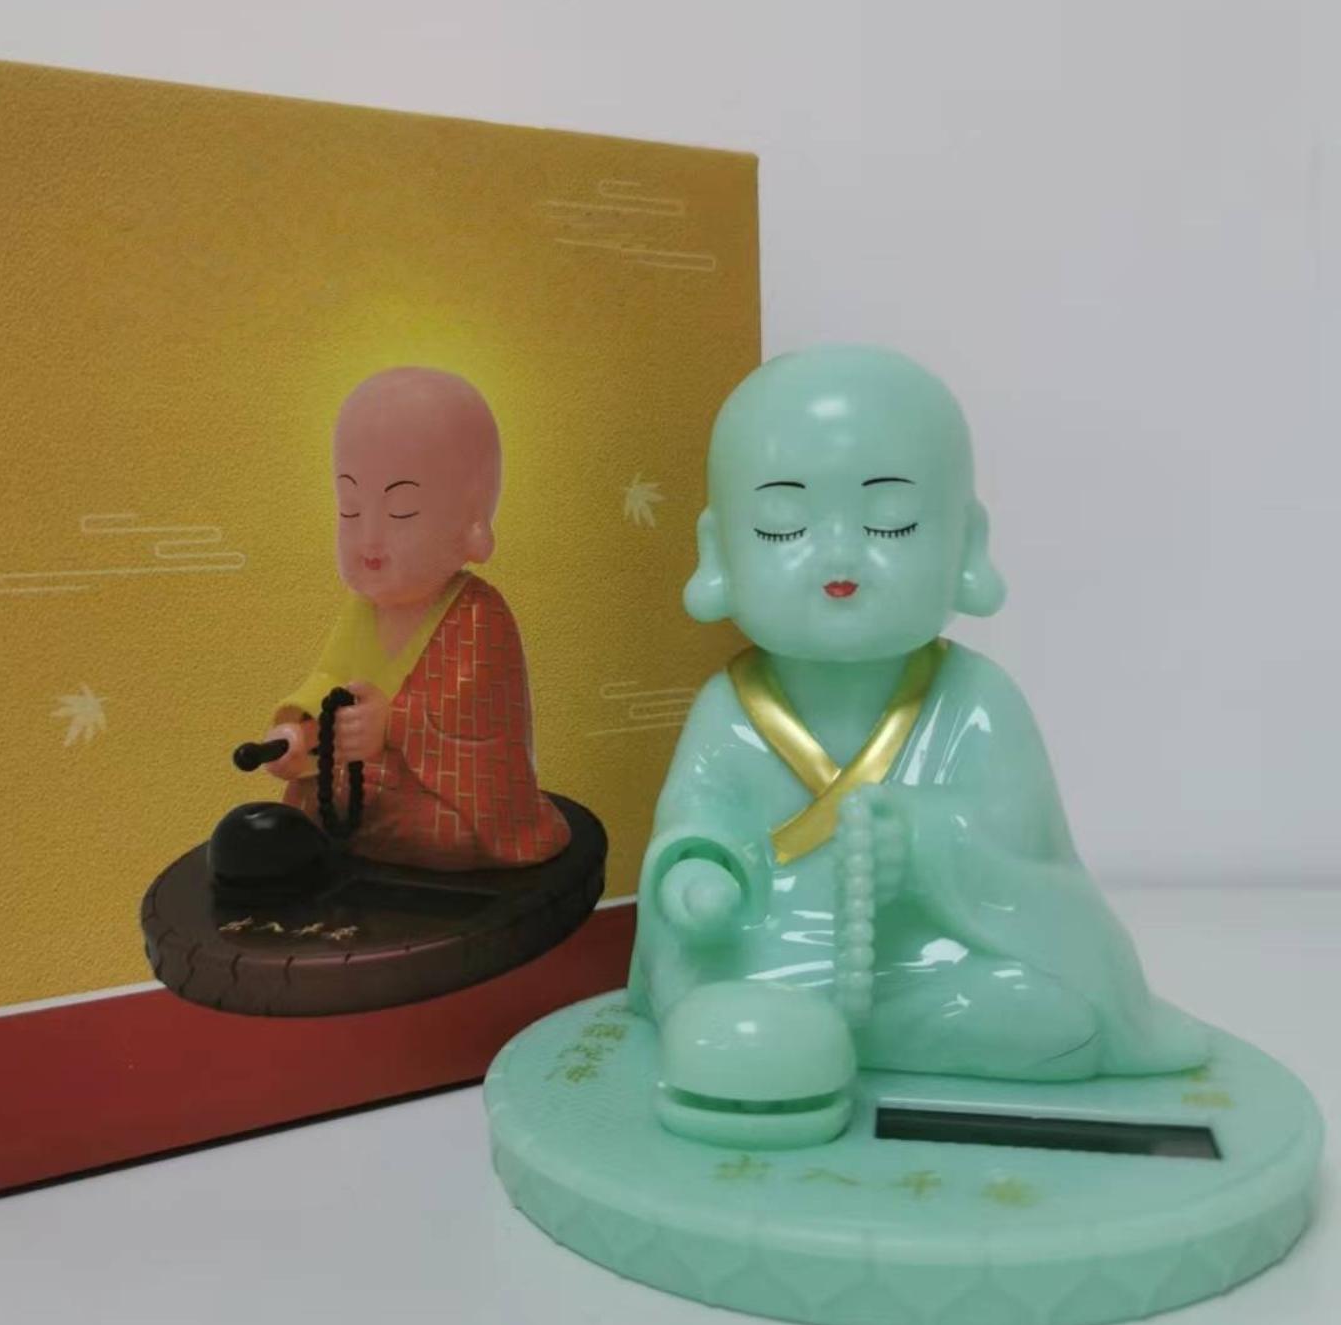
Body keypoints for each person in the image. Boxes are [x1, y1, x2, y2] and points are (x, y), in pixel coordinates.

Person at [630, 346, 1207, 1092]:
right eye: (781, 525)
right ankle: (775, 1033)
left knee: (1046, 1016)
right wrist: (698, 880)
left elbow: (1029, 860)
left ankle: (797, 1046)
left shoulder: (978, 704)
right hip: (768, 951)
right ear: (718, 554)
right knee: (719, 994)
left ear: (967, 545)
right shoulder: (730, 710)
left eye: (892, 523)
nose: (840, 557)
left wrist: (925, 842)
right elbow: (699, 821)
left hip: (928, 962)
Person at [263, 367, 569, 872]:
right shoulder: (363, 609)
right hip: (365, 781)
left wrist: (392, 723)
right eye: (350, 509)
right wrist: (301, 736)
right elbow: (330, 681)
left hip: (440, 798)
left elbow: (479, 727)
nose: (369, 538)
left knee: (443, 833)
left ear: (472, 522)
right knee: (307, 797)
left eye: (401, 511)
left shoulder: (478, 615)